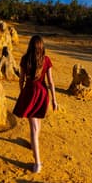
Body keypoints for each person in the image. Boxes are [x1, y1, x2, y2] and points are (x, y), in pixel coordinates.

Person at [13, 35, 57, 173]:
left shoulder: (25, 59)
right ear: (42, 47)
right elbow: (51, 82)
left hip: (30, 92)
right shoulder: (46, 60)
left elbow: (21, 80)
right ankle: (34, 144)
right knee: (37, 122)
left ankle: (37, 163)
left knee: (33, 127)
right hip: (43, 93)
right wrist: (54, 100)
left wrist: (22, 92)